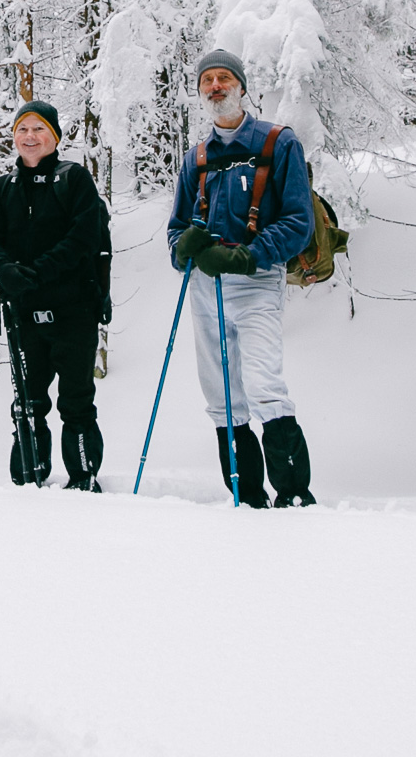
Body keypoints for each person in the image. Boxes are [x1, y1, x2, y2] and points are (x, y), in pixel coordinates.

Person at [165, 50, 318, 509]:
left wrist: (249, 258)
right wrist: (185, 249)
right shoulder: (195, 157)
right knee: (221, 393)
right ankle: (246, 498)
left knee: (264, 383)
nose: (215, 86)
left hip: (256, 281)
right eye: (206, 80)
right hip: (203, 287)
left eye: (224, 78)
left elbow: (298, 221)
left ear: (242, 87)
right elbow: (175, 232)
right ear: (199, 92)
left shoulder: (278, 142)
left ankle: (293, 497)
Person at [0, 100, 108, 490]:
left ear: (54, 137)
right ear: (13, 136)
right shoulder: (1, 189)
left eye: (39, 130)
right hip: (23, 315)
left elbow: (83, 238)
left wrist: (34, 273)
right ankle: (30, 478)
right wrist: (7, 270)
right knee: (28, 403)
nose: (30, 137)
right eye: (22, 130)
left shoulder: (74, 179)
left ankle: (84, 478)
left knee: (76, 400)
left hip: (73, 310)